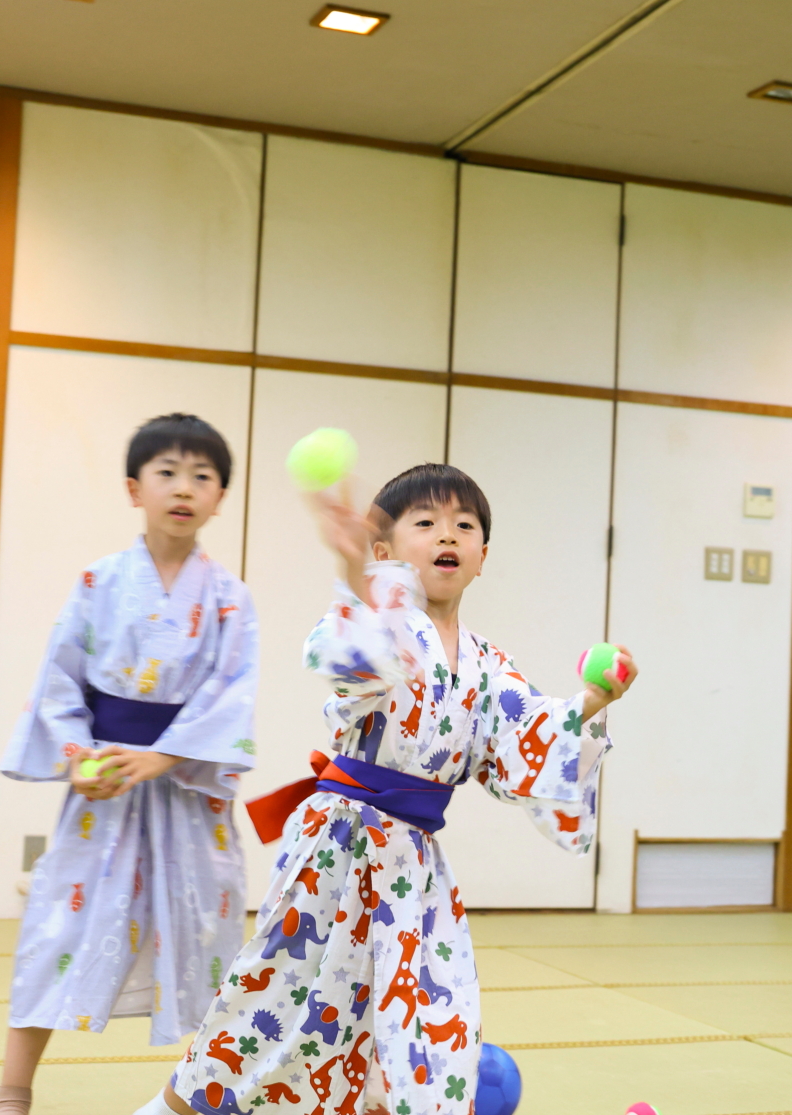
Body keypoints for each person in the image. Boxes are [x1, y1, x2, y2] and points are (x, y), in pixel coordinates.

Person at [136, 463, 637, 1115]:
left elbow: (525, 740)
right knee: (278, 1002)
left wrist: (592, 700)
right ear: (386, 551)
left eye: (465, 524)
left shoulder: (487, 665)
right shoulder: (388, 623)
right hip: (338, 850)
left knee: (427, 1013)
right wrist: (355, 579)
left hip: (412, 866)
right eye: (424, 523)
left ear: (483, 555)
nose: (446, 534)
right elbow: (355, 653)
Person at [0, 413, 259, 1115]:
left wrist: (165, 755)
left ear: (220, 496)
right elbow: (61, 680)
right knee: (56, 928)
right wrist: (79, 758)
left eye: (203, 477)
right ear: (133, 487)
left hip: (187, 790)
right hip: (106, 786)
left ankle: (203, 1091)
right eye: (167, 472)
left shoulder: (232, 599)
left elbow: (232, 695)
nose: (184, 488)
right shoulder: (97, 581)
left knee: (208, 934)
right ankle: (13, 1087)